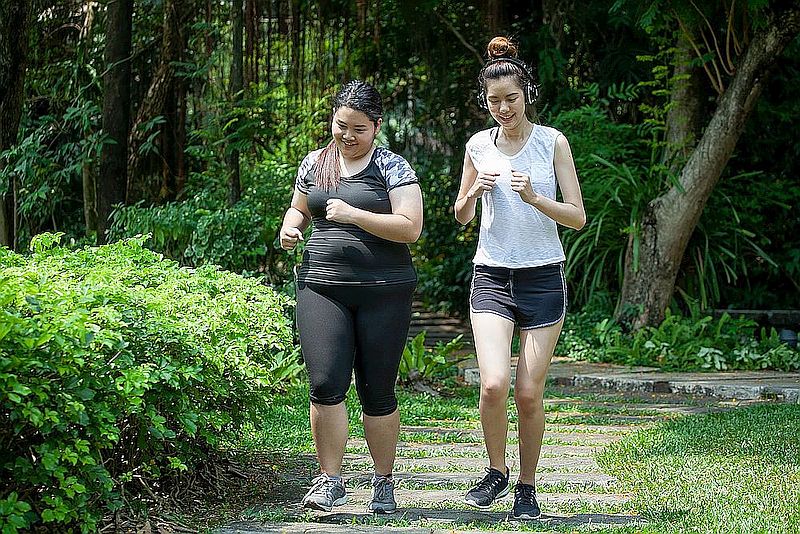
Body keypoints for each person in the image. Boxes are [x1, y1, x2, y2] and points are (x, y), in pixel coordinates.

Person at [454, 36, 586, 520]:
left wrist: (534, 198)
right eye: (493, 101)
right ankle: (496, 470)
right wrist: (473, 195)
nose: (502, 108)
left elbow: (577, 217)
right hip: (491, 274)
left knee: (529, 393)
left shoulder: (553, 142)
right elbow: (460, 215)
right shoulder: (476, 145)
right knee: (493, 384)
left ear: (526, 92)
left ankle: (527, 487)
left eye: (510, 98)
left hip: (543, 277)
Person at [279, 80, 423, 514]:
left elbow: (411, 227)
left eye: (358, 128)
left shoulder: (392, 167)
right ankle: (330, 481)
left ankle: (383, 482)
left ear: (376, 127)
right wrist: (290, 225)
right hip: (322, 287)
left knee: (377, 391)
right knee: (324, 384)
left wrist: (355, 214)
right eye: (341, 125)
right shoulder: (316, 162)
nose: (347, 135)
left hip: (385, 292)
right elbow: (300, 206)